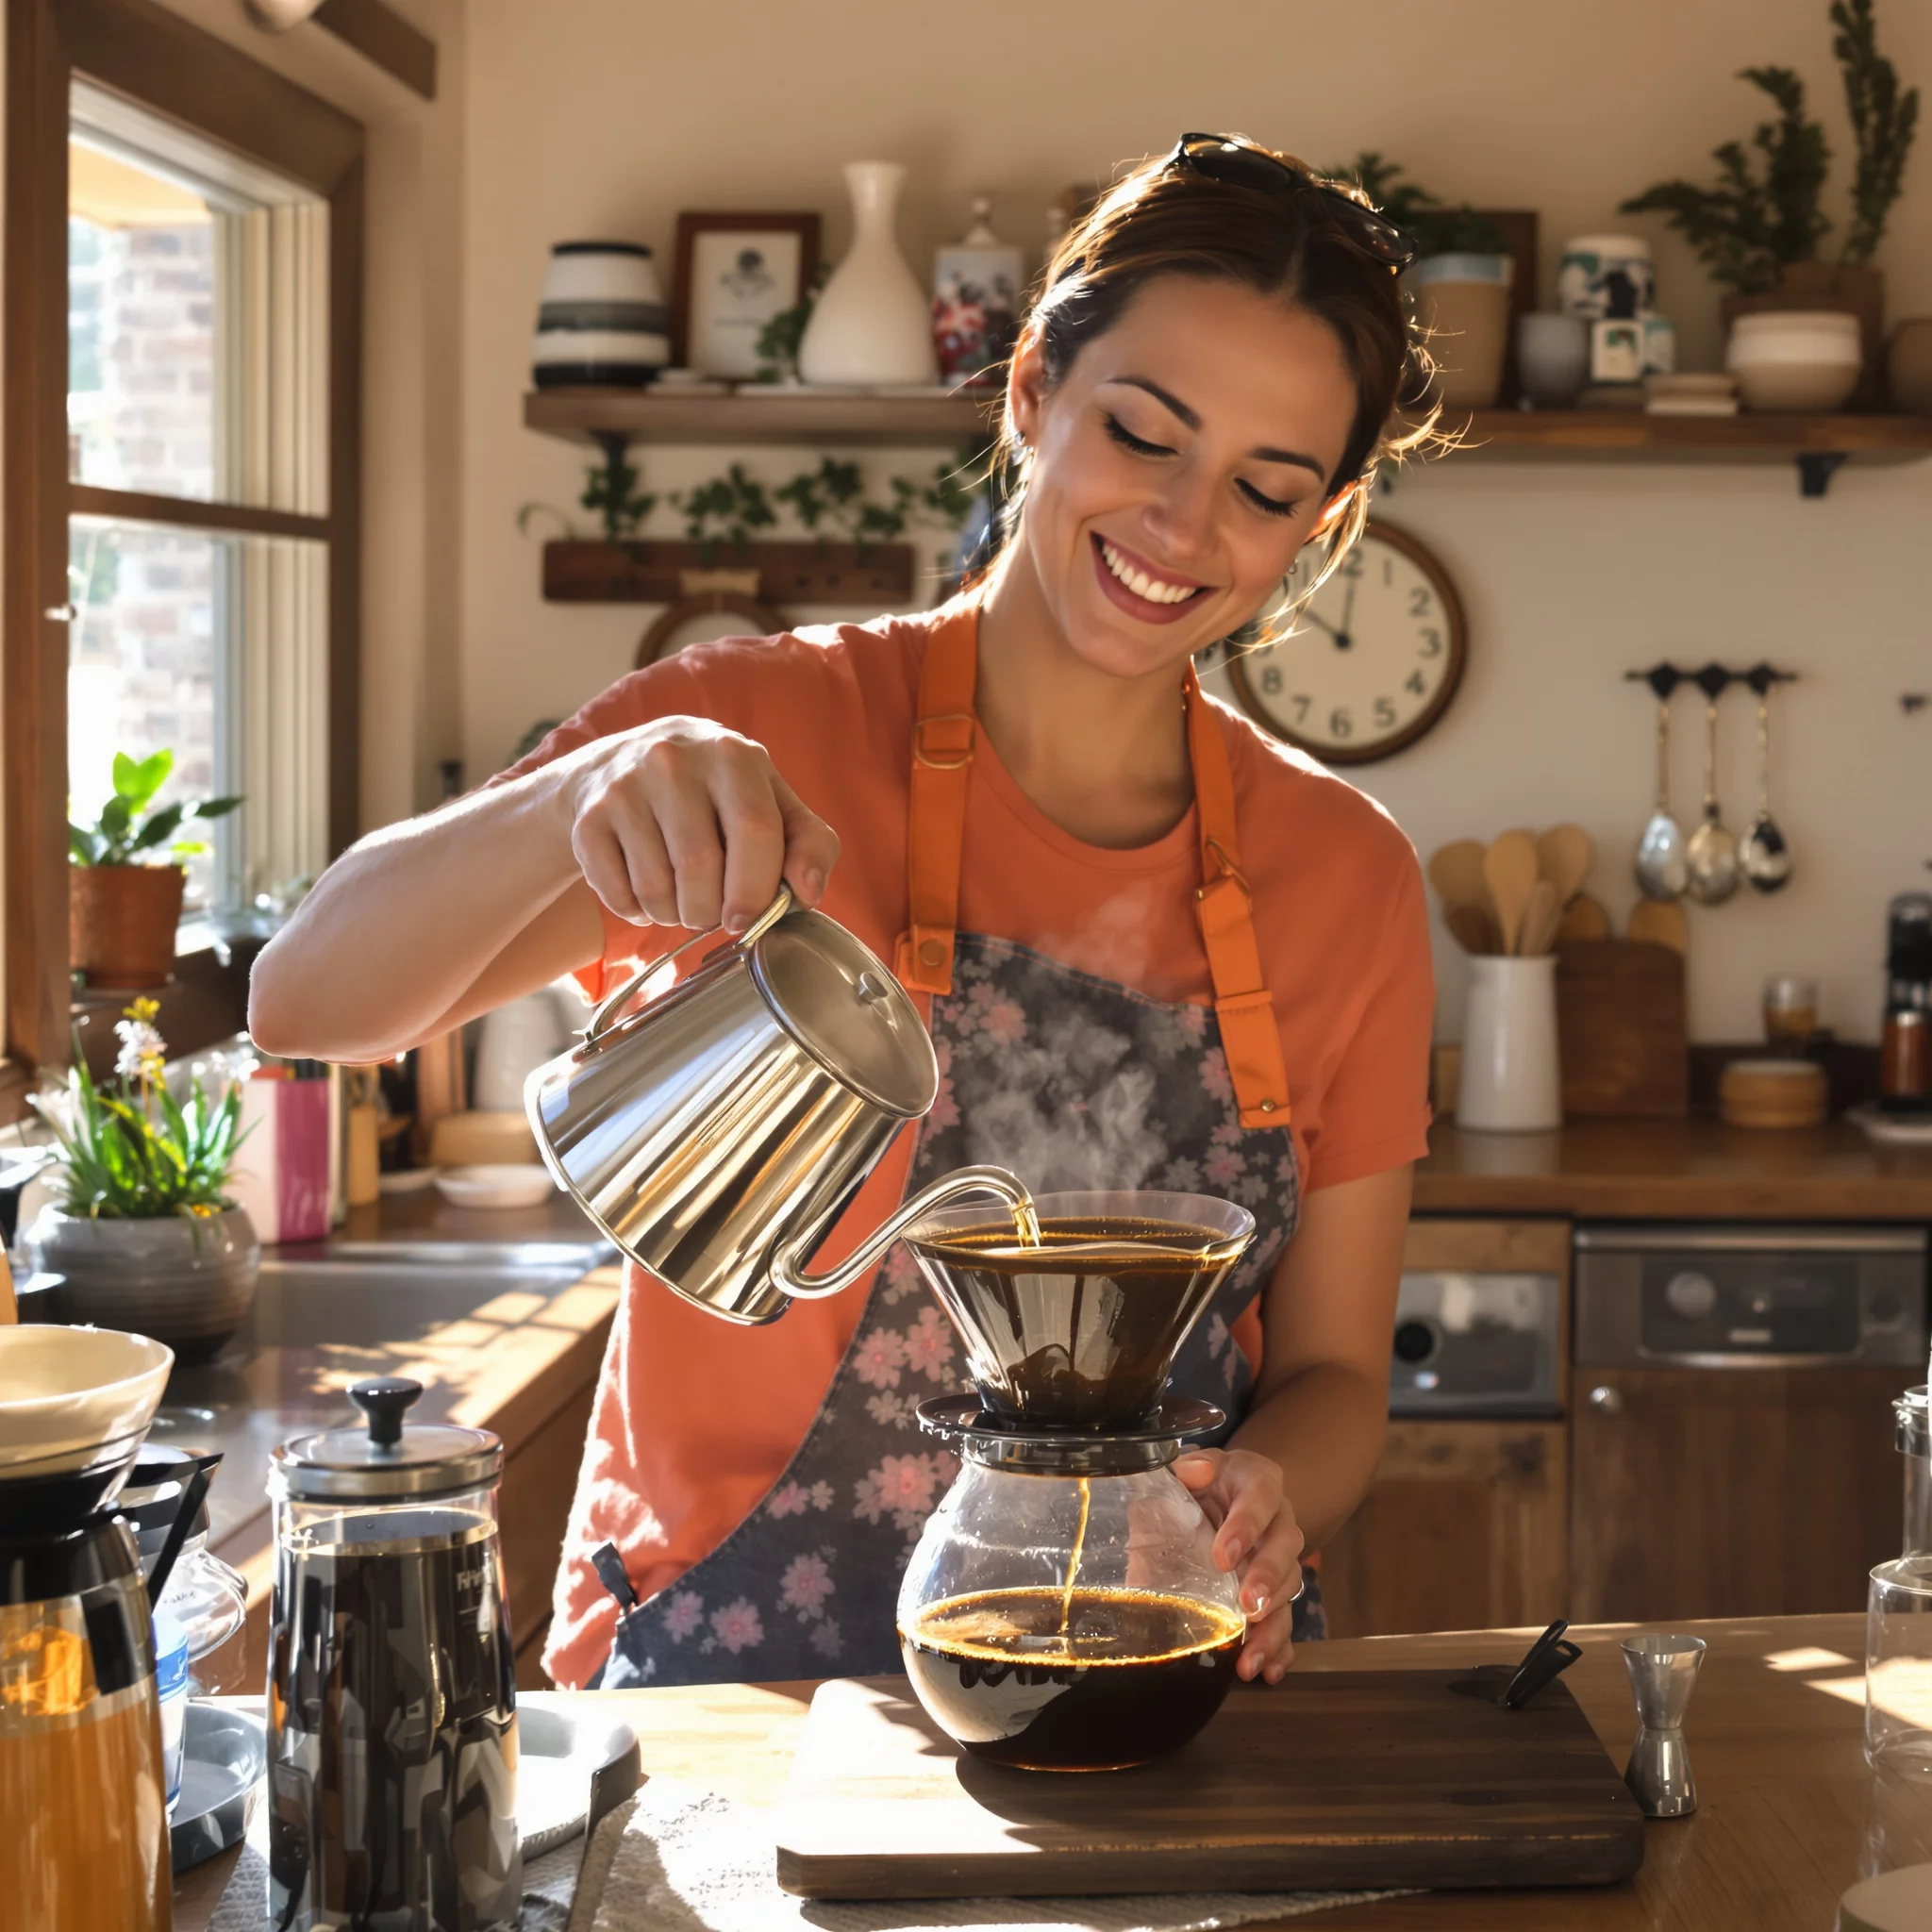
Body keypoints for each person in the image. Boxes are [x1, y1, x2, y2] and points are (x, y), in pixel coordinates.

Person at [249, 134, 1440, 1693]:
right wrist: (574, 794)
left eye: (1266, 491)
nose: (1181, 525)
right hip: (723, 1689)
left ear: (1322, 524)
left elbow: (1342, 1371)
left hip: (1161, 1677)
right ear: (1031, 391)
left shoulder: (1344, 873)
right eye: (1142, 433)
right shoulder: (751, 735)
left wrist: (1280, 1488)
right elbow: (305, 1001)